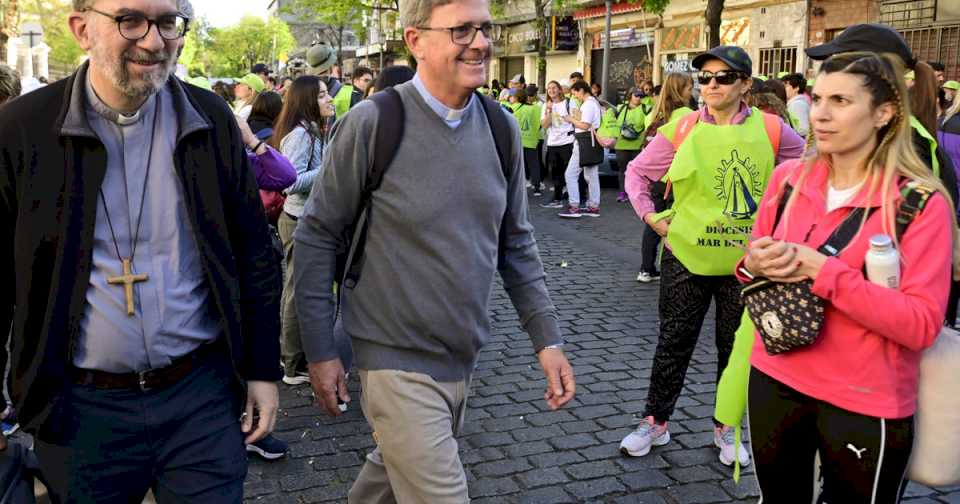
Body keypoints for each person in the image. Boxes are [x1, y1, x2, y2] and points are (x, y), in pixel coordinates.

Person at [293, 0, 575, 501]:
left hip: (463, 356)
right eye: (461, 29)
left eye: (484, 29)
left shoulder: (500, 127)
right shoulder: (374, 122)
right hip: (392, 357)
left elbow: (516, 241)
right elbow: (316, 233)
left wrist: (546, 338)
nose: (481, 42)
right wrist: (319, 349)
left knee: (385, 479)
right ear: (416, 40)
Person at [0, 0, 282, 499]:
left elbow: (254, 251)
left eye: (167, 22)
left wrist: (262, 369)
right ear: (82, 29)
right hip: (81, 411)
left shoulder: (210, 118)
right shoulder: (22, 130)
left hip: (199, 398)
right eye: (130, 20)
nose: (153, 41)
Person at [742, 51, 955, 503]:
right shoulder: (788, 180)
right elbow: (747, 269)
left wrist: (824, 271)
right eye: (817, 98)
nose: (820, 112)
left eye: (840, 100)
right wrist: (754, 265)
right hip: (774, 377)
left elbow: (920, 325)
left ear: (884, 112)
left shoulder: (919, 203)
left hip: (865, 398)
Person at [621, 45, 804, 466]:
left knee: (734, 348)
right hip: (686, 257)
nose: (712, 85)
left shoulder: (774, 129)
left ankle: (727, 427)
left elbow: (809, 168)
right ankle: (655, 421)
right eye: (705, 78)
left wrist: (782, 222)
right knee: (673, 342)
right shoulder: (681, 128)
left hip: (745, 264)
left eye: (723, 77)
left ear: (745, 83)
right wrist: (650, 216)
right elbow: (637, 172)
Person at [270, 75, 340, 387]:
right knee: (296, 291)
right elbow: (289, 181)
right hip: (298, 220)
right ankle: (291, 363)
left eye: (329, 95)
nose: (330, 100)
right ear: (308, 100)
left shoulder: (317, 130)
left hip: (313, 219)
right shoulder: (300, 135)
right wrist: (329, 168)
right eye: (323, 96)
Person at [634, 72, 694, 283]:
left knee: (655, 222)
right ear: (680, 90)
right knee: (676, 226)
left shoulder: (656, 114)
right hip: (676, 179)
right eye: (689, 88)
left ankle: (646, 268)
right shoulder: (688, 115)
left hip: (657, 179)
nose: (692, 92)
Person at [559, 80, 603, 218]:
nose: (575, 96)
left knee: (570, 174)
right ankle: (593, 206)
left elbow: (584, 125)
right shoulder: (592, 102)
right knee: (591, 175)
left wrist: (570, 119)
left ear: (582, 90)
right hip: (590, 141)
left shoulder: (589, 104)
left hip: (584, 141)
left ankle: (574, 206)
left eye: (575, 93)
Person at [606, 87, 648, 203]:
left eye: (640, 96)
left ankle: (636, 194)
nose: (638, 98)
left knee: (637, 172)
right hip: (621, 144)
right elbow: (611, 121)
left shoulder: (645, 109)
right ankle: (623, 193)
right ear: (630, 96)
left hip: (637, 145)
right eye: (636, 95)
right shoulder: (621, 108)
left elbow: (649, 125)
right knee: (623, 170)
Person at [540, 79, 576, 208]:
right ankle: (557, 199)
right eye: (549, 88)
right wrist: (549, 110)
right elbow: (544, 125)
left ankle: (576, 199)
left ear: (560, 89)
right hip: (553, 143)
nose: (551, 90)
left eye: (554, 87)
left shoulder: (569, 103)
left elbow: (577, 119)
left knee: (570, 172)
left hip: (567, 141)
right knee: (555, 173)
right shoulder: (546, 105)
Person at [784, 72, 811, 137]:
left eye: (786, 86)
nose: (784, 89)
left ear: (796, 88)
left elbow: (803, 130)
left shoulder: (797, 105)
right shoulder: (795, 103)